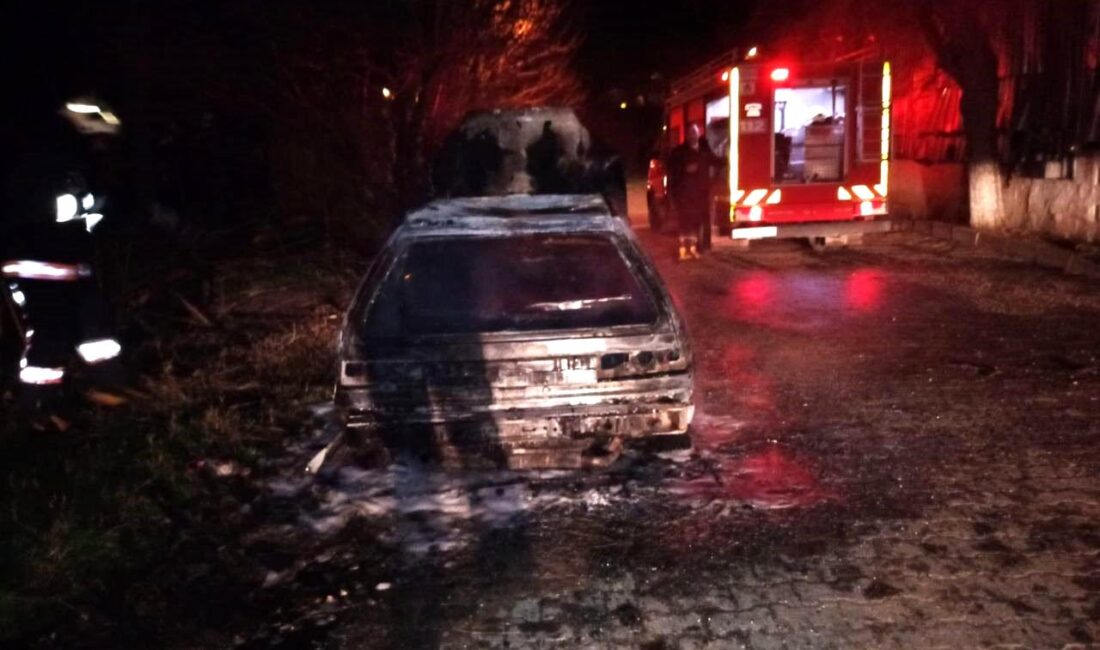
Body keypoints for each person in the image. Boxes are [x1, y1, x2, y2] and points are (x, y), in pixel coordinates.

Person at [666, 124, 716, 260]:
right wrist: (684, 170)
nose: (693, 135)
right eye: (690, 132)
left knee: (700, 222)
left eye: (695, 132)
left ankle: (699, 247)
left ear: (699, 134)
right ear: (686, 135)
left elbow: (714, 161)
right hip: (685, 195)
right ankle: (684, 250)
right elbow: (671, 170)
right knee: (685, 223)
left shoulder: (704, 150)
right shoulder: (679, 152)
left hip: (702, 194)